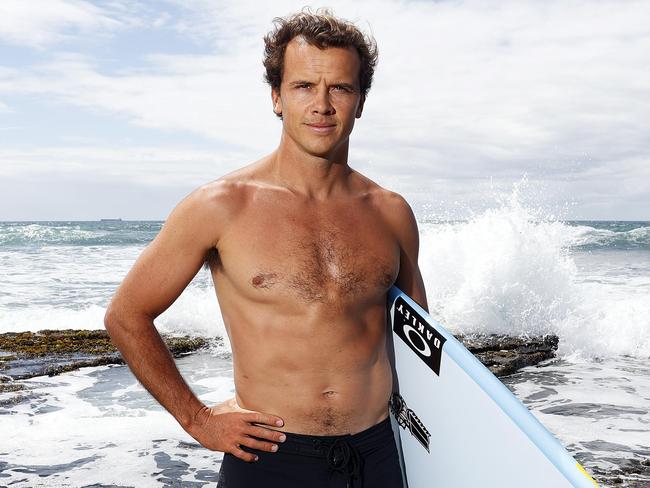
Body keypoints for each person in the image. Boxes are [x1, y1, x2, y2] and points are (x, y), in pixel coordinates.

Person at [104, 8, 427, 488]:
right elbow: (126, 315)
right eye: (303, 87)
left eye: (340, 87)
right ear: (276, 97)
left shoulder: (390, 212)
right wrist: (197, 420)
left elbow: (421, 344)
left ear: (360, 101)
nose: (322, 105)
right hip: (271, 458)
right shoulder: (220, 206)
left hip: (379, 455)